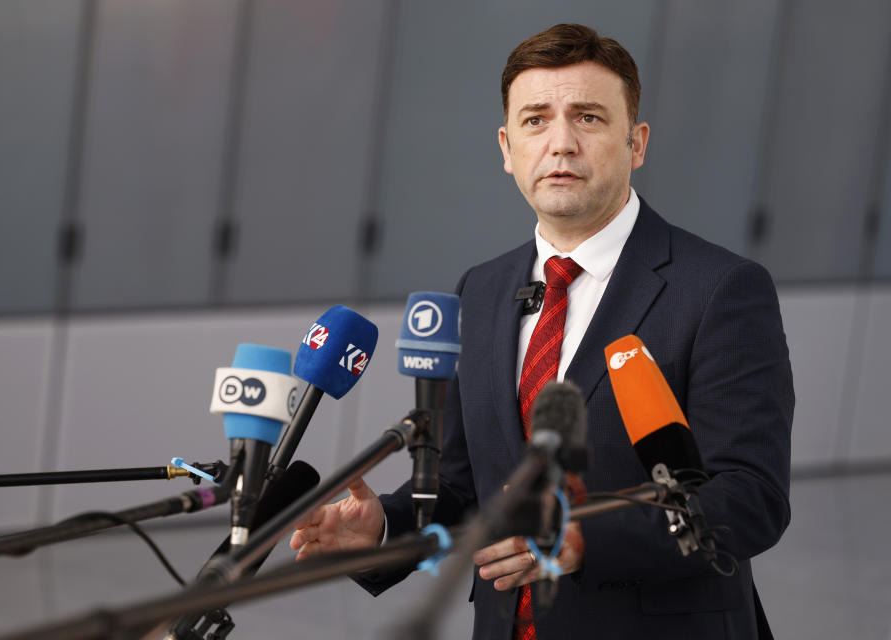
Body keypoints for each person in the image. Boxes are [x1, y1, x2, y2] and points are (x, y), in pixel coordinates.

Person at [290, 23, 793, 640]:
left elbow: (750, 497)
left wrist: (583, 536)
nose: (560, 143)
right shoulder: (480, 289)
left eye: (588, 117)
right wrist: (384, 530)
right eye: (535, 120)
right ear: (506, 148)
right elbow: (466, 483)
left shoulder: (720, 289)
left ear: (636, 143)